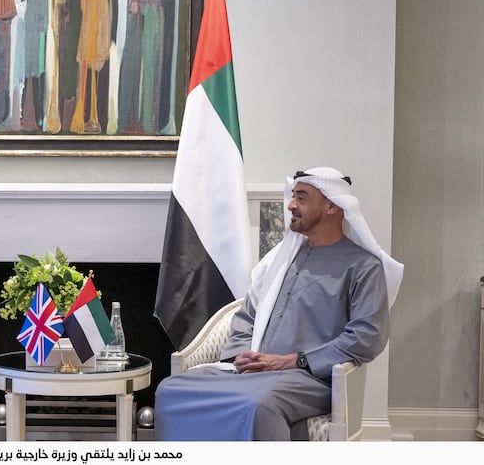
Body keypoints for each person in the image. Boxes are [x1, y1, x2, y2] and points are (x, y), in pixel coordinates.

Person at [154, 166, 404, 440]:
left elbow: (367, 336)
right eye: (293, 196)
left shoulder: (363, 266)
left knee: (259, 405)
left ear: (332, 206)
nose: (292, 205)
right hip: (254, 372)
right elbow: (247, 316)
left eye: (302, 197)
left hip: (311, 378)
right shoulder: (280, 260)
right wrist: (240, 355)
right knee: (171, 390)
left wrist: (294, 361)